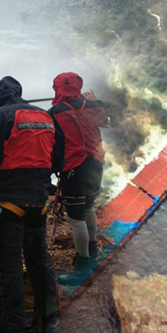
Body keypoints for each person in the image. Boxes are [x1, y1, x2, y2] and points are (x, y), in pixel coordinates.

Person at [0, 76, 63, 333]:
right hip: (39, 201)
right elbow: (58, 159)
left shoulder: (0, 117)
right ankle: (50, 321)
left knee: (9, 268)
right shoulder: (45, 116)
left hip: (10, 205)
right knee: (39, 260)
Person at [47, 72, 108, 284]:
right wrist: (94, 100)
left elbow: (52, 142)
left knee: (76, 218)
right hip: (95, 164)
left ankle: (83, 266)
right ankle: (92, 255)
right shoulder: (90, 105)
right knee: (89, 208)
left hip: (74, 167)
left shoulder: (54, 112)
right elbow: (107, 119)